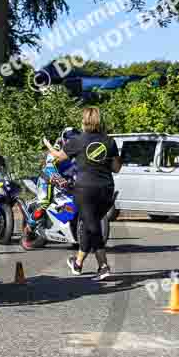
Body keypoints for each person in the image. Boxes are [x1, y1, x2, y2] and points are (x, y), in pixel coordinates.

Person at [44, 108, 120, 280]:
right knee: (88, 224)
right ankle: (77, 263)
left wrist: (48, 145)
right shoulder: (110, 142)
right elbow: (116, 168)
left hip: (85, 190)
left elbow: (58, 156)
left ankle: (103, 266)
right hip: (106, 190)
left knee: (93, 227)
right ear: (100, 121)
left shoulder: (78, 141)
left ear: (84, 122)